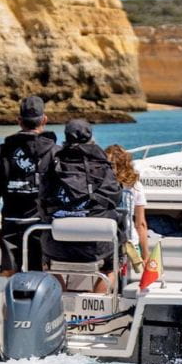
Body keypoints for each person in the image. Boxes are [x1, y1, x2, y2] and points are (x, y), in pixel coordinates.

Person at [39, 119, 123, 293]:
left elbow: (43, 200)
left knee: (46, 261)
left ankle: (60, 300)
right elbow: (115, 198)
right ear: (90, 136)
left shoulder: (54, 165)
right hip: (96, 247)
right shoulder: (103, 165)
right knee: (111, 263)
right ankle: (99, 308)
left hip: (57, 246)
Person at [0, 95, 60, 277]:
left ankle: (6, 304)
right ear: (44, 120)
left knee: (8, 271)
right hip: (42, 224)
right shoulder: (55, 152)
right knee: (41, 271)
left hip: (11, 222)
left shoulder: (0, 152)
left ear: (19, 121)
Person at [105, 144, 150, 262]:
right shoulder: (135, 186)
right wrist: (146, 255)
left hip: (104, 240)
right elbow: (140, 224)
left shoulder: (98, 185)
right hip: (128, 242)